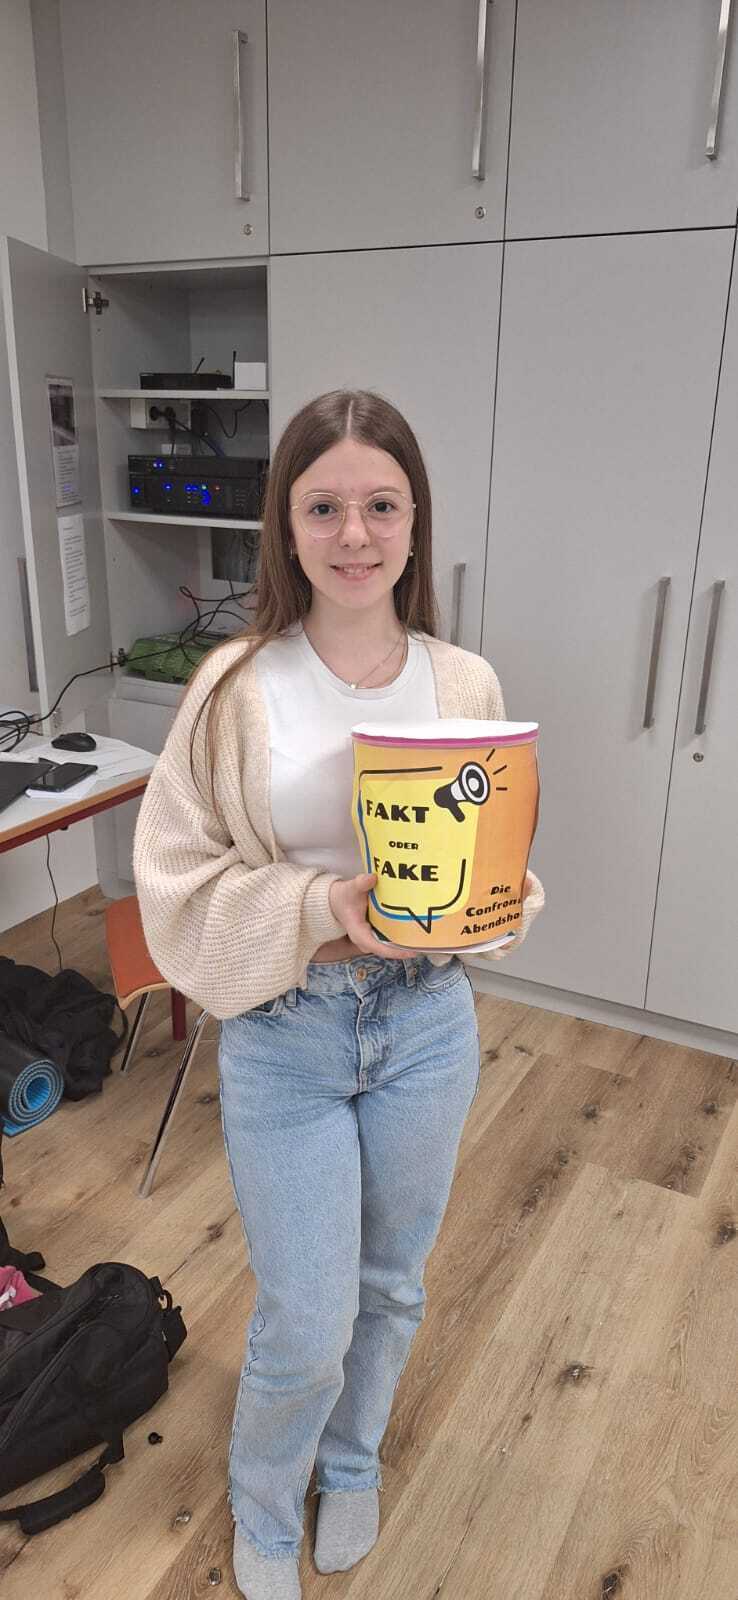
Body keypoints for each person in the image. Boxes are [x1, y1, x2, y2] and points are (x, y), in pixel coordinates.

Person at [133, 389, 545, 1600]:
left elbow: (496, 851)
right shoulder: (232, 686)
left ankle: (352, 1460)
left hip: (426, 1023)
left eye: (381, 505)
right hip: (287, 1031)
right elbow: (175, 879)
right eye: (324, 507)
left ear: (416, 524)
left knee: (393, 1284)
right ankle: (265, 1498)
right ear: (286, 524)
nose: (354, 534)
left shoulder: (464, 681)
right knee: (307, 1316)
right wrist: (320, 905)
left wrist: (507, 900)